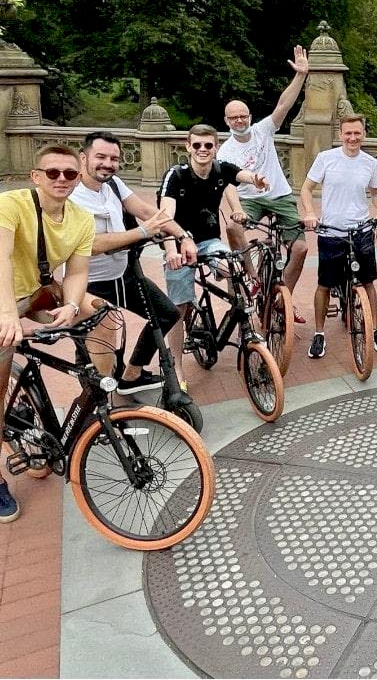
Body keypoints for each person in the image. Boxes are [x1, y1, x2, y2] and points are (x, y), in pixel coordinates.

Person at [0, 145, 97, 523]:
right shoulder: (12, 205)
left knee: (100, 314)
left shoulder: (81, 219)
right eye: (52, 172)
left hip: (35, 292)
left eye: (70, 174)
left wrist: (72, 307)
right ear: (35, 175)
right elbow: (2, 259)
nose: (61, 179)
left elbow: (76, 272)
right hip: (5, 296)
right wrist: (9, 317)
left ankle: (98, 390)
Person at [71, 131, 196, 392]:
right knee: (94, 355)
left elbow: (147, 212)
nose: (108, 163)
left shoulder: (114, 184)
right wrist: (141, 232)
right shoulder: (71, 195)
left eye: (114, 158)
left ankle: (131, 375)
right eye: (101, 157)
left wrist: (183, 236)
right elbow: (90, 245)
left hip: (123, 274)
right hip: (85, 283)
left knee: (166, 314)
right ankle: (95, 415)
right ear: (83, 158)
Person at [158, 124, 267, 381]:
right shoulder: (176, 175)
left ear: (216, 147)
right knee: (179, 307)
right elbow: (164, 218)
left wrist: (257, 180)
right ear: (188, 147)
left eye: (208, 145)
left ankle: (239, 317)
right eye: (197, 145)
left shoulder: (221, 170)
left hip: (208, 242)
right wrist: (172, 251)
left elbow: (242, 175)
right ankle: (177, 365)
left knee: (234, 268)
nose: (203, 150)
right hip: (179, 244)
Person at [219, 46, 311, 325]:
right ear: (227, 121)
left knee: (300, 249)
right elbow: (229, 185)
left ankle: (285, 299)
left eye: (243, 115)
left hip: (280, 195)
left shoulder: (262, 129)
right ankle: (254, 276)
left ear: (249, 115)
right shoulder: (225, 152)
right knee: (233, 228)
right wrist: (236, 210)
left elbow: (283, 105)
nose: (240, 120)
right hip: (250, 200)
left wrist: (301, 76)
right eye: (234, 117)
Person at [300, 115, 377, 358]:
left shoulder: (370, 162)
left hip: (361, 230)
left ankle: (374, 329)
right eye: (348, 133)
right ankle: (319, 333)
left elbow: (374, 194)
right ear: (340, 134)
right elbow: (306, 189)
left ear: (363, 133)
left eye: (357, 133)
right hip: (331, 231)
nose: (352, 138)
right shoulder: (326, 159)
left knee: (368, 281)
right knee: (324, 284)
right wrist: (310, 212)